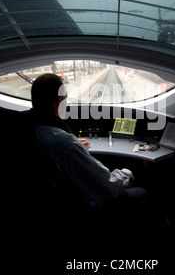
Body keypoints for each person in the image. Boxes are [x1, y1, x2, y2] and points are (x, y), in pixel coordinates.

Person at [27, 73, 147, 209]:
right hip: (76, 204)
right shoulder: (64, 144)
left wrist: (73, 144)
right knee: (141, 192)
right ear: (57, 102)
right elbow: (107, 186)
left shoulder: (22, 129)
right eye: (65, 99)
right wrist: (127, 174)